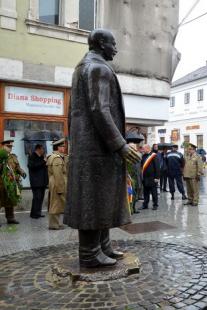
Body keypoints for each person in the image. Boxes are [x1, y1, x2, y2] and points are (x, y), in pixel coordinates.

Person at [64, 29, 141, 267]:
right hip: (97, 149)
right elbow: (100, 110)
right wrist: (120, 144)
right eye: (113, 44)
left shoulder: (82, 67)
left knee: (102, 199)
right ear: (100, 44)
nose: (116, 49)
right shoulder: (97, 68)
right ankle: (89, 254)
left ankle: (103, 246)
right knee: (93, 200)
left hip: (92, 148)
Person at [0, 140, 26, 225]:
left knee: (10, 201)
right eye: (8, 146)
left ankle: (10, 218)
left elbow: (17, 167)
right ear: (3, 146)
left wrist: (22, 172)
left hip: (11, 183)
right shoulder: (1, 156)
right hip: (1, 183)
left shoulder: (13, 157)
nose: (10, 148)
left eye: (11, 147)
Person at [46, 138, 68, 229]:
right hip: (57, 183)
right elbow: (58, 174)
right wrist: (60, 188)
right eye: (62, 147)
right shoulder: (56, 158)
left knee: (57, 203)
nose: (64, 148)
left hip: (55, 182)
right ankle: (53, 225)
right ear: (58, 148)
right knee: (55, 203)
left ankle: (56, 223)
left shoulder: (55, 157)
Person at [28, 144, 48, 219]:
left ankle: (38, 212)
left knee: (41, 198)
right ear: (38, 149)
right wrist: (43, 161)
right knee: (37, 197)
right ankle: (34, 214)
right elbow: (33, 167)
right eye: (43, 149)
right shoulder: (32, 156)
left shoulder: (42, 157)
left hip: (43, 182)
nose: (44, 150)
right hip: (36, 182)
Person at [141, 145, 160, 210]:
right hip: (145, 177)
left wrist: (157, 177)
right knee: (145, 192)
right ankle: (145, 204)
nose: (142, 150)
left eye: (143, 149)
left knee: (154, 192)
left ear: (148, 148)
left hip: (152, 177)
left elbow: (157, 167)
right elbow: (142, 166)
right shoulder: (143, 156)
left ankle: (155, 204)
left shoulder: (153, 155)